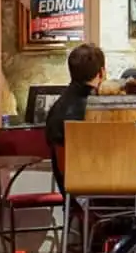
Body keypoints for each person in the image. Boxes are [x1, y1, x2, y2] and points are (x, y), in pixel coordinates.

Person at [44, 42, 107, 194]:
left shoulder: (57, 107)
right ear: (101, 72)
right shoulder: (98, 110)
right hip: (102, 193)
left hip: (70, 194)